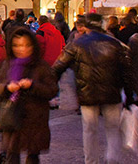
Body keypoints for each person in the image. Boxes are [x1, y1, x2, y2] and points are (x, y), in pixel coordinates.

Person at [52, 13, 133, 164]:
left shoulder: (77, 44)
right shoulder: (115, 43)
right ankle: (112, 158)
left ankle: (91, 161)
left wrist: (49, 87)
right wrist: (129, 94)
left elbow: (58, 67)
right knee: (113, 128)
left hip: (87, 93)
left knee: (89, 130)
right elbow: (127, 71)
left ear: (86, 27)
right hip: (112, 93)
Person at [0, 28, 58, 164]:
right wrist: (7, 88)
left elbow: (52, 90)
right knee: (11, 154)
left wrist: (33, 85)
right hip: (12, 117)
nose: (21, 49)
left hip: (34, 119)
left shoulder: (41, 66)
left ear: (33, 46)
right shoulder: (7, 64)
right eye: (17, 45)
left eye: (26, 45)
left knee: (32, 155)